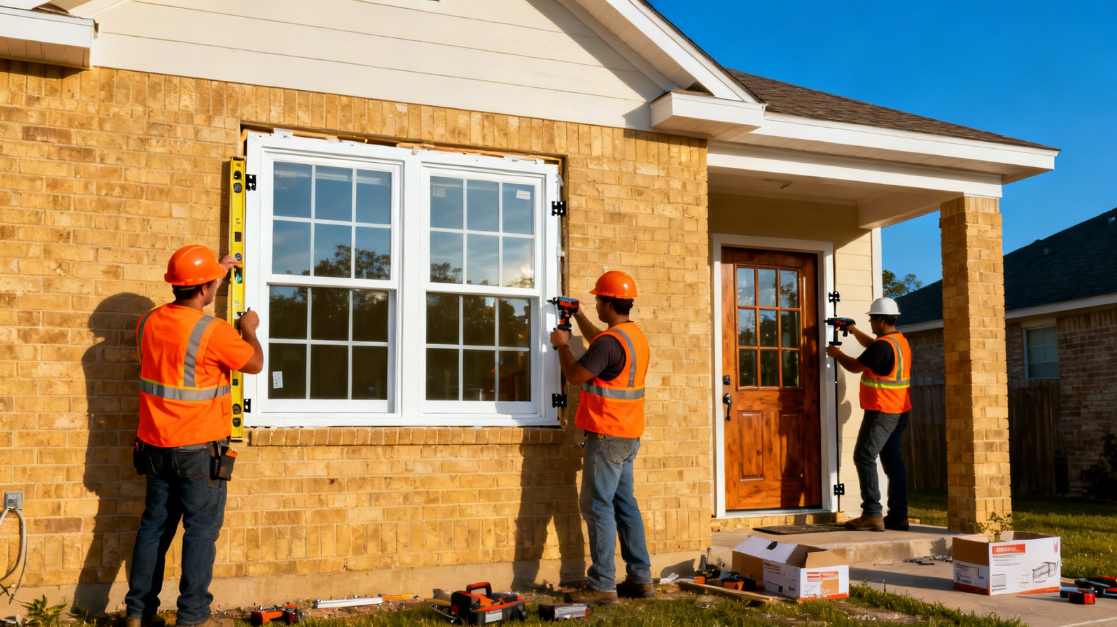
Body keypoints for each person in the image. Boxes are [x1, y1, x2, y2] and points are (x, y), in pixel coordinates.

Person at [124, 245, 263, 627]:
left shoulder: (146, 323)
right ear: (204, 290)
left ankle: (137, 613)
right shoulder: (214, 331)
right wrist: (249, 330)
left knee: (154, 527)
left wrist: (216, 271)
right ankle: (192, 618)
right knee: (200, 532)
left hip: (153, 445)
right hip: (199, 451)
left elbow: (192, 305)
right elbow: (253, 363)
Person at [549, 270, 653, 606]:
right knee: (625, 506)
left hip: (606, 435)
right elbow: (601, 344)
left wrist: (562, 346)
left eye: (596, 300)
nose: (594, 304)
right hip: (628, 435)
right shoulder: (630, 335)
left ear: (608, 303)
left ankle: (603, 586)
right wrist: (577, 314)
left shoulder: (610, 342)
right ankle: (641, 579)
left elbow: (576, 375)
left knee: (596, 507)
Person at [826, 297, 911, 532]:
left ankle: (872, 514)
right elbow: (873, 346)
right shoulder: (897, 341)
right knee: (894, 464)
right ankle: (898, 516)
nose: (870, 323)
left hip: (882, 412)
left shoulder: (883, 346)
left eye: (871, 319)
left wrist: (836, 353)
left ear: (881, 319)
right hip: (899, 411)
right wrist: (852, 330)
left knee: (864, 457)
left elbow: (855, 366)